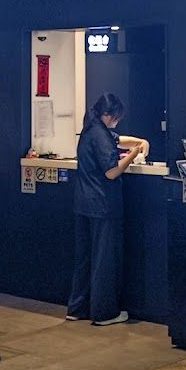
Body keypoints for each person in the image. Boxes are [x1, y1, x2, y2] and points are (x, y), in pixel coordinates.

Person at [66, 93, 149, 326]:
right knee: (104, 259)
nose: (118, 122)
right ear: (108, 115)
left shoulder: (90, 130)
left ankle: (78, 307)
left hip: (83, 204)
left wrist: (137, 142)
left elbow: (117, 139)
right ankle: (104, 313)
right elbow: (111, 172)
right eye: (116, 118)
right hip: (102, 205)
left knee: (84, 258)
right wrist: (134, 154)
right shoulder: (100, 135)